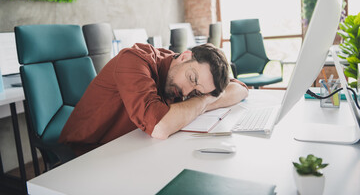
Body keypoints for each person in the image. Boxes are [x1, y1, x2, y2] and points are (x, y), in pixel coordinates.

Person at [59, 43, 248, 155]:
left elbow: (241, 90)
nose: (187, 92)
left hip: (134, 146)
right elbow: (161, 127)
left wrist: (205, 96)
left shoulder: (194, 77)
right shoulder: (135, 59)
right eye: (192, 79)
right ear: (185, 57)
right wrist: (203, 101)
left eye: (198, 91)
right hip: (89, 152)